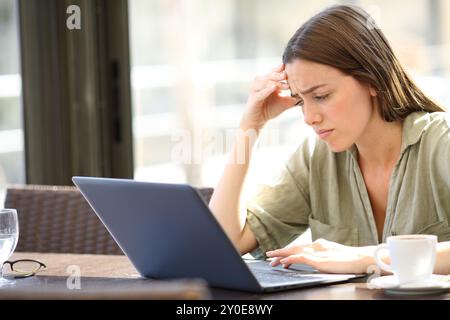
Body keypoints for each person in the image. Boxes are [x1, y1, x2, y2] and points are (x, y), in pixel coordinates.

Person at [209, 5, 450, 275]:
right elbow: (225, 243)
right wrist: (250, 126)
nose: (309, 117)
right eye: (301, 101)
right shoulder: (317, 158)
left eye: (321, 96)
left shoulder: (441, 142)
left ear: (372, 79)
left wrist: (366, 258)